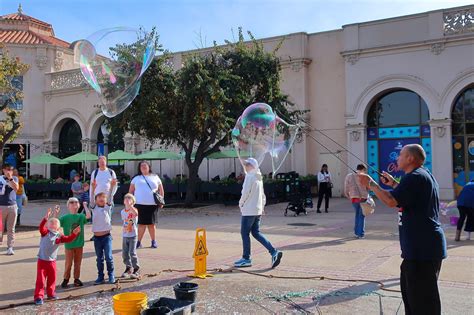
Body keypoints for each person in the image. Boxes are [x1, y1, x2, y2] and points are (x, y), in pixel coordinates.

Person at [358, 144, 446, 315]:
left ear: (410, 158)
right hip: (421, 249)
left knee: (422, 303)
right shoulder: (423, 175)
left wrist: (372, 185)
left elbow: (391, 201)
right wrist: (393, 183)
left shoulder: (414, 177)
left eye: (400, 155)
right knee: (414, 297)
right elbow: (409, 194)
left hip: (422, 250)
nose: (397, 158)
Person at [234, 158, 283, 269]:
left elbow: (245, 193)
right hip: (257, 210)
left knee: (245, 233)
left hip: (249, 210)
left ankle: (246, 258)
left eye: (247, 164)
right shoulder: (258, 176)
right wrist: (262, 207)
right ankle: (274, 252)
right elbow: (262, 195)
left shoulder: (250, 176)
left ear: (252, 166)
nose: (245, 166)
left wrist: (240, 203)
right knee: (256, 232)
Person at [34, 207, 80, 305]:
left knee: (52, 278)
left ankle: (51, 293)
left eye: (55, 224)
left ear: (58, 228)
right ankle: (38, 296)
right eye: (51, 224)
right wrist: (46, 218)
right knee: (41, 280)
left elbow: (68, 239)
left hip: (52, 262)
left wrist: (74, 234)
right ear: (48, 226)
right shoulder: (45, 233)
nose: (53, 225)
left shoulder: (59, 236)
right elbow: (41, 227)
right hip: (42, 261)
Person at [129, 161, 164, 249]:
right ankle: (138, 242)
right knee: (141, 224)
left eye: (145, 166)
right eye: (141, 166)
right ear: (139, 168)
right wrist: (130, 203)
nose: (143, 167)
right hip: (139, 204)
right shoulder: (136, 178)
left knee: (151, 224)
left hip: (152, 205)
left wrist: (161, 201)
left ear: (149, 167)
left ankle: (153, 241)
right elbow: (131, 191)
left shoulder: (155, 177)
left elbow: (161, 190)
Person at [84, 192, 115, 285]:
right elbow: (92, 196)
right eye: (99, 198)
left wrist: (112, 186)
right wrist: (92, 187)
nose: (101, 199)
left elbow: (110, 196)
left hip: (107, 237)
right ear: (96, 200)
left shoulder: (107, 207)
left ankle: (111, 275)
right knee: (99, 258)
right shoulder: (94, 208)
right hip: (97, 238)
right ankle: (100, 276)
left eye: (103, 197)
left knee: (109, 257)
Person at [59, 198, 87, 288]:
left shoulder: (81, 216)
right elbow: (56, 223)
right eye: (71, 202)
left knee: (78, 263)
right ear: (68, 206)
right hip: (69, 244)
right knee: (68, 263)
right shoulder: (65, 217)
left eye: (76, 202)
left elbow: (89, 216)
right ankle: (66, 278)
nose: (74, 204)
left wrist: (86, 206)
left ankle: (76, 278)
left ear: (79, 205)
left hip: (79, 244)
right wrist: (56, 213)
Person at [344, 164, 369, 239]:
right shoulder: (364, 176)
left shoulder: (349, 176)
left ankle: (356, 232)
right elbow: (369, 187)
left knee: (357, 215)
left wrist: (348, 195)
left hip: (354, 198)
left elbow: (346, 188)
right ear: (363, 169)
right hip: (363, 198)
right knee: (362, 216)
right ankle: (360, 234)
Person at [0, 163, 19, 255]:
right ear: (3, 170)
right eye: (7, 169)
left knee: (11, 228)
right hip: (1, 206)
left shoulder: (15, 179)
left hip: (12, 206)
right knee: (0, 228)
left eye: (11, 169)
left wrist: (10, 178)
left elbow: (16, 189)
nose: (9, 171)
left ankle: (10, 247)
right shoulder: (0, 179)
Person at [120, 193, 140, 279]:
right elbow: (125, 221)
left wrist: (131, 206)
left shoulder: (134, 210)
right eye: (126, 199)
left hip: (133, 235)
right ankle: (128, 267)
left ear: (133, 202)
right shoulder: (122, 211)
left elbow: (135, 214)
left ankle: (136, 268)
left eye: (129, 199)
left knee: (132, 252)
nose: (127, 200)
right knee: (125, 253)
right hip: (125, 234)